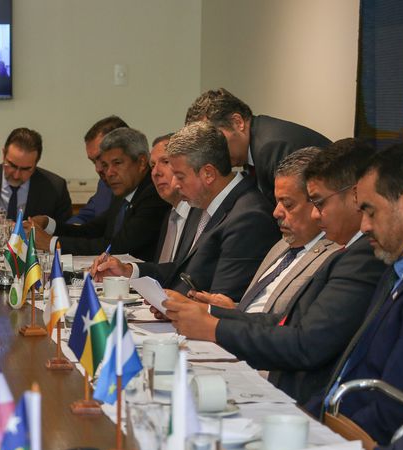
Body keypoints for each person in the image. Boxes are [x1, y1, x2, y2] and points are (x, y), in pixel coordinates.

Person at [163, 139, 386, 404]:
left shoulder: (361, 255)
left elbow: (306, 343)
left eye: (318, 202)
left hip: (297, 393)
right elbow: (283, 320)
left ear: (354, 196)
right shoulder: (335, 248)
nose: (316, 215)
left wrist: (215, 327)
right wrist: (212, 314)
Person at [317, 142, 403, 445]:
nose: (364, 226)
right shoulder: (397, 266)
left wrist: (319, 439)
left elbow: (397, 406)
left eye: (370, 211)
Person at [94, 122, 279, 301]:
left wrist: (172, 303)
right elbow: (184, 271)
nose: (175, 184)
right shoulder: (203, 204)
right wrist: (129, 270)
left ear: (208, 174)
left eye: (180, 176)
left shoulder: (249, 218)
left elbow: (221, 301)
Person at [192, 147, 338, 315]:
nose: (276, 212)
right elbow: (258, 310)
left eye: (288, 204)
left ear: (316, 202)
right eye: (277, 202)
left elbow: (291, 327)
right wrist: (229, 309)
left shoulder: (333, 257)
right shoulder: (281, 245)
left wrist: (230, 316)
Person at [29, 127, 168, 261]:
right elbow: (91, 230)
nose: (109, 173)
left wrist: (52, 243)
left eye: (117, 163)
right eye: (106, 165)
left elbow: (118, 247)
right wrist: (48, 224)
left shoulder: (153, 194)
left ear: (142, 162)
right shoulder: (124, 192)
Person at [186, 88, 331, 207]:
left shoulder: (271, 149)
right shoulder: (255, 146)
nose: (211, 151)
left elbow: (299, 214)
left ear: (238, 122)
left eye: (213, 138)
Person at [0, 127, 72, 223]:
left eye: (26, 169)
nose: (16, 175)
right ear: (3, 154)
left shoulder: (55, 188)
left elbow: (64, 231)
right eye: (12, 165)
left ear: (36, 163)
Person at [67, 115, 129, 224]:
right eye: (93, 161)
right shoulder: (104, 185)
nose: (97, 169)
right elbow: (84, 217)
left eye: (101, 158)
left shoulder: (153, 187)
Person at [148, 133, 190, 263]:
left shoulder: (201, 217)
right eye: (152, 165)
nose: (155, 172)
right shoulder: (169, 216)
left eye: (165, 162)